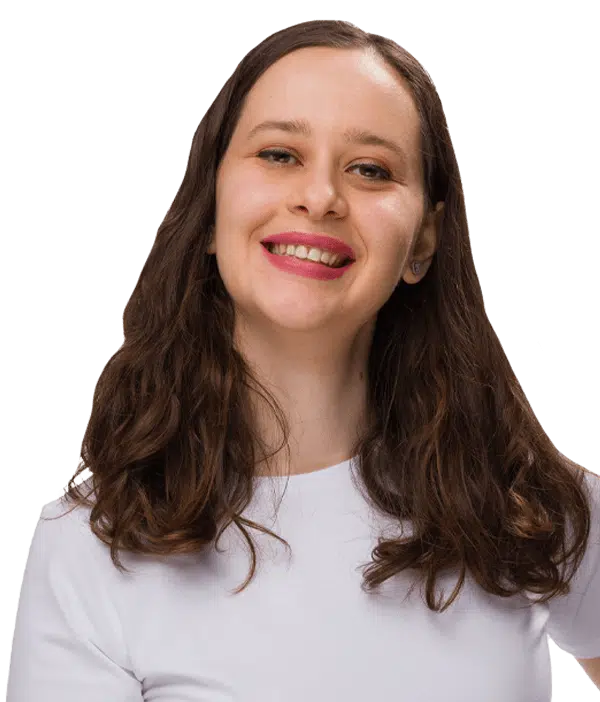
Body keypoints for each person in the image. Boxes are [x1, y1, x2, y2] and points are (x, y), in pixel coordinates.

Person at [8, 18, 599, 702]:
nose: (319, 197)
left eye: (370, 169)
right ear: (210, 206)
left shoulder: (533, 504)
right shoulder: (91, 545)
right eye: (279, 154)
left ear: (423, 240)